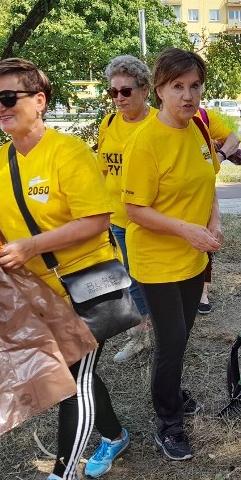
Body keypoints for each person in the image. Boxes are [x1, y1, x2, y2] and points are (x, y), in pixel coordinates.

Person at [0, 58, 130, 480]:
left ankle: (63, 476)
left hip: (85, 285)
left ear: (40, 100)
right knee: (80, 372)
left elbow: (97, 219)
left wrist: (30, 245)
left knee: (71, 382)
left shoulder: (69, 152)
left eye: (8, 98)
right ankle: (114, 436)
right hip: (34, 292)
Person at [121, 47, 222, 461]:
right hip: (158, 260)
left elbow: (209, 179)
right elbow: (134, 210)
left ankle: (173, 390)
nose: (188, 96)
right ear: (159, 90)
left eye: (195, 86)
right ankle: (169, 422)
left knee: (182, 336)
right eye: (177, 87)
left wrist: (215, 222)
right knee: (171, 340)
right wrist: (186, 230)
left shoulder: (198, 128)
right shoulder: (146, 142)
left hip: (194, 255)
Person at [97, 55, 154, 362]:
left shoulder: (160, 123)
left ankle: (173, 331)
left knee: (156, 279)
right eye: (113, 92)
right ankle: (140, 336)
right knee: (130, 279)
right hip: (119, 218)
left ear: (145, 90)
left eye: (126, 91)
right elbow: (102, 170)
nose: (118, 98)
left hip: (152, 219)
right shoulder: (108, 123)